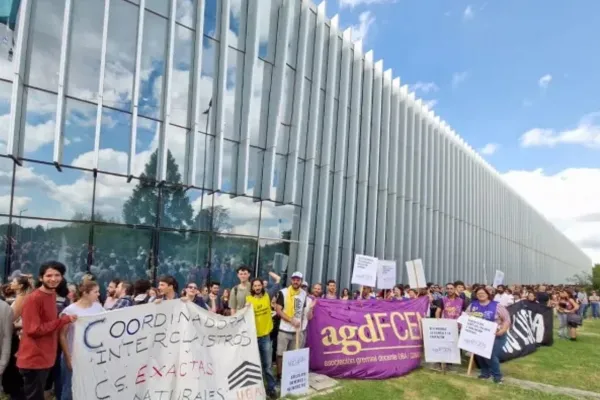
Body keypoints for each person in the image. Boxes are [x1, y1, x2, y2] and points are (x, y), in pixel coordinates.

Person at [17, 261, 77, 400]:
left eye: (57, 275)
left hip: (45, 358)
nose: (53, 279)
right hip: (34, 359)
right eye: (49, 275)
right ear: (41, 278)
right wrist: (63, 320)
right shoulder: (34, 298)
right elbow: (33, 330)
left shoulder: (51, 294)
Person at [59, 281, 105, 400]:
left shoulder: (98, 307)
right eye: (95, 292)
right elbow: (62, 335)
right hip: (73, 354)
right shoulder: (69, 311)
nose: (98, 294)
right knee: (69, 388)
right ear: (85, 293)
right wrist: (68, 356)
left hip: (91, 355)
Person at [245, 273, 281, 399]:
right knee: (255, 365)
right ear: (252, 288)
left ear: (262, 286)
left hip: (265, 337)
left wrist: (270, 272)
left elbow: (278, 280)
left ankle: (271, 389)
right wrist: (245, 308)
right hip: (253, 338)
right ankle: (257, 390)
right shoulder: (248, 299)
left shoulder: (268, 295)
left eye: (259, 285)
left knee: (267, 366)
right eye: (255, 285)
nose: (257, 287)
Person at [466, 286, 511, 384]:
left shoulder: (497, 305)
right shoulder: (473, 305)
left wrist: (502, 330)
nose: (481, 295)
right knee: (479, 354)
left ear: (488, 294)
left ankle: (497, 376)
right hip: (479, 335)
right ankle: (485, 373)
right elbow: (466, 317)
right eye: (478, 294)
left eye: (483, 293)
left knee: (490, 354)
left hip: (496, 335)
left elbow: (507, 319)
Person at [275, 272, 314, 381]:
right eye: (294, 279)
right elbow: (278, 310)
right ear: (291, 280)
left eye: (298, 280)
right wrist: (291, 320)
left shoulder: (304, 294)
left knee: (293, 356)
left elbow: (306, 314)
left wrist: (311, 308)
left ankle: (290, 377)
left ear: (301, 281)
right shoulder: (283, 292)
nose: (296, 281)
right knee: (280, 354)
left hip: (297, 331)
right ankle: (279, 376)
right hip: (284, 329)